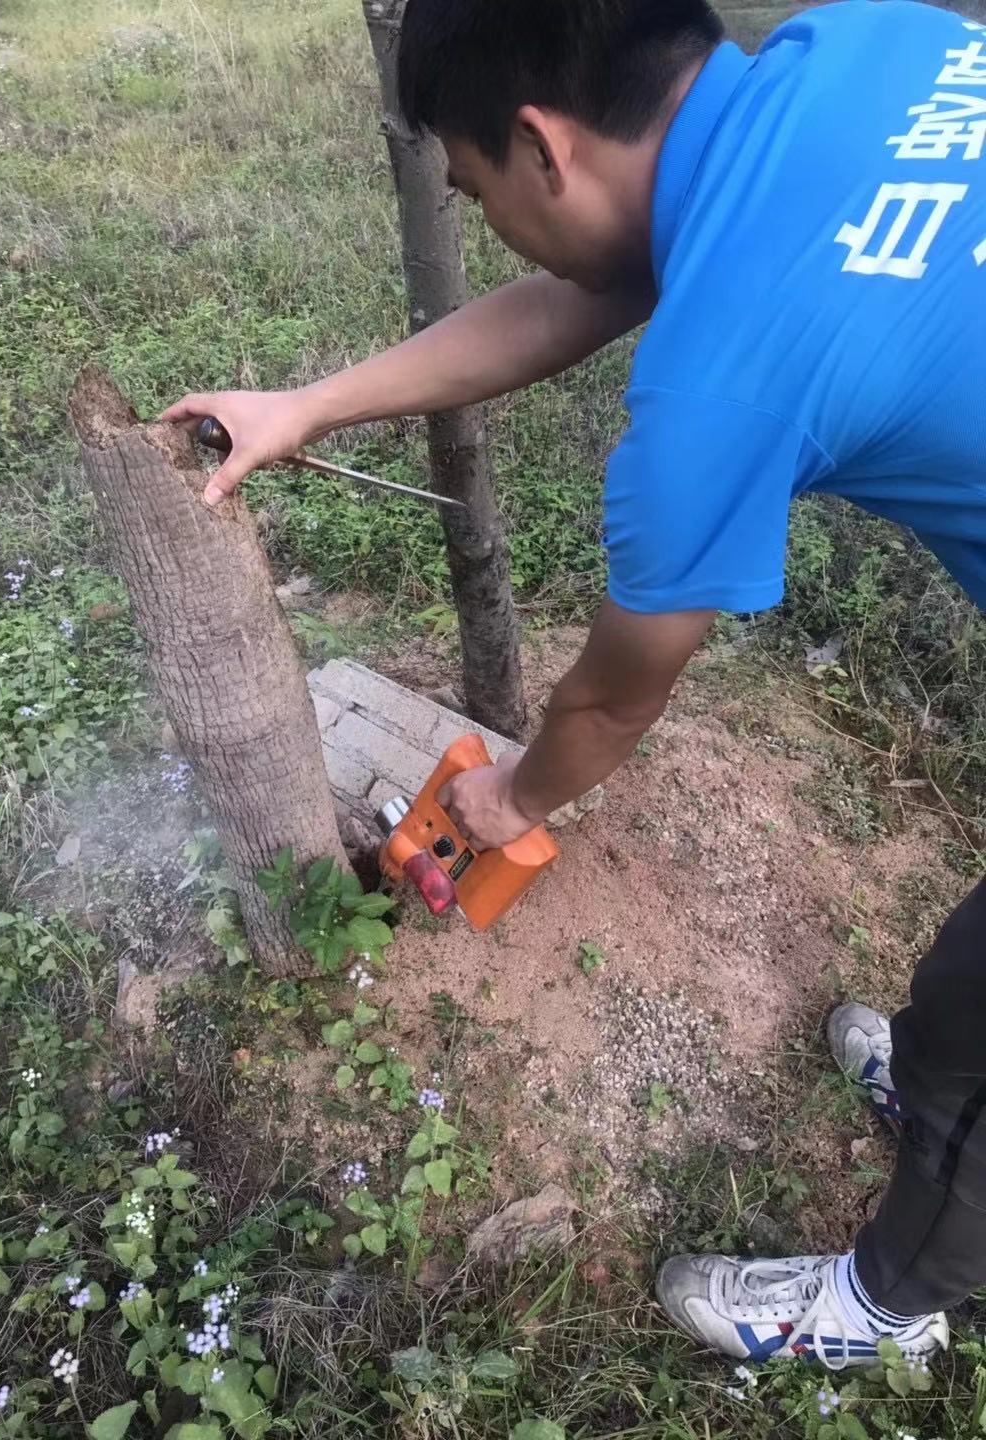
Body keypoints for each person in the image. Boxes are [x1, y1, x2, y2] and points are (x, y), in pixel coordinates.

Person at [162, 0, 986, 1371]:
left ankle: (892, 1301)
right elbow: (602, 280)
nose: (486, 223)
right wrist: (304, 406)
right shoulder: (869, 47)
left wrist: (512, 794)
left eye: (476, 191)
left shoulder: (718, 390)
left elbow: (611, 702)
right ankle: (943, 1078)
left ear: (540, 144)